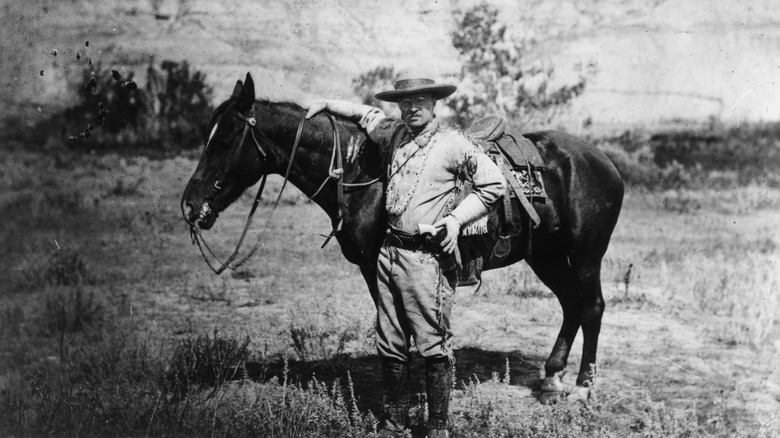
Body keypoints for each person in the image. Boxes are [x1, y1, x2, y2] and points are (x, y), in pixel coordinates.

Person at [306, 72, 506, 438]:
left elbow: (494, 183)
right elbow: (366, 116)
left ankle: (437, 429)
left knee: (433, 346)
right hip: (389, 254)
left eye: (420, 101)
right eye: (405, 102)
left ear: (434, 104)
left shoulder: (453, 144)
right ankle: (394, 424)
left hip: (426, 261)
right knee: (390, 341)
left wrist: (456, 221)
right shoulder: (394, 135)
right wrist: (326, 105)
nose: (412, 108)